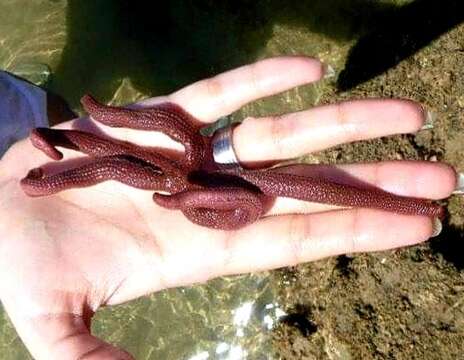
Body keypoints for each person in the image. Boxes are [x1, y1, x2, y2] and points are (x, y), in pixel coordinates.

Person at [0, 56, 458, 360]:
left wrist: (176, 189)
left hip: (191, 180)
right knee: (332, 191)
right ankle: (46, 121)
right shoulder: (165, 177)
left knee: (336, 191)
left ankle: (46, 122)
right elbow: (116, 164)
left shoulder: (173, 170)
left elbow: (126, 159)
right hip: (190, 184)